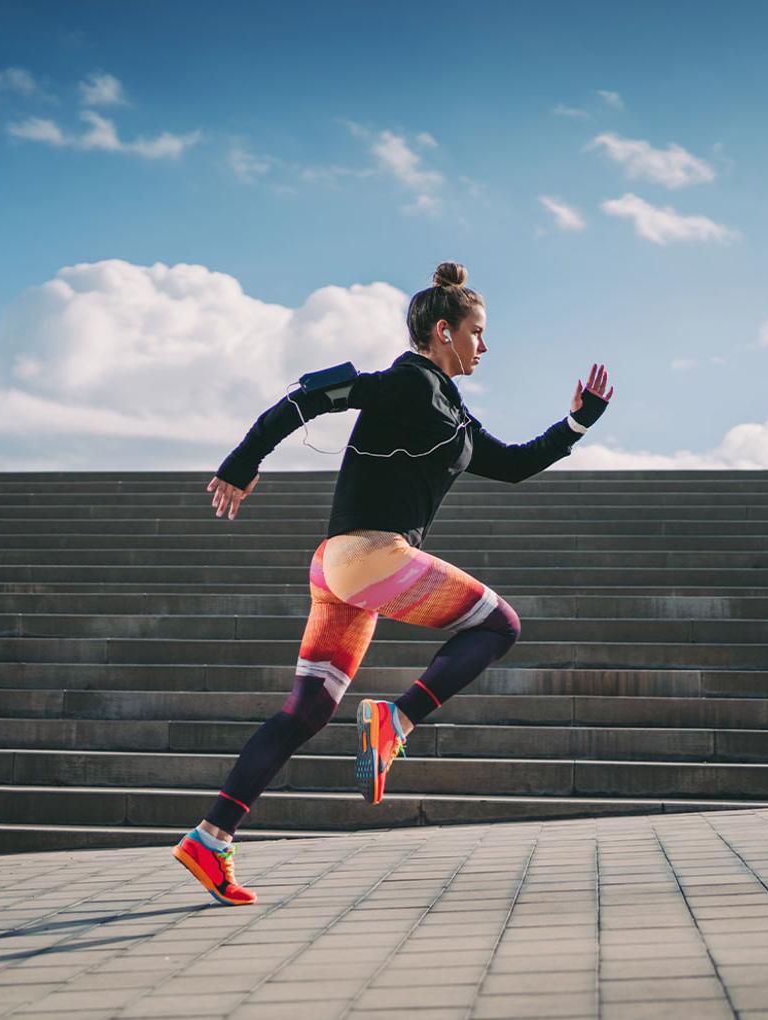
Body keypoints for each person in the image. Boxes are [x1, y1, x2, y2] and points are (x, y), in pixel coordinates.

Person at [172, 261, 613, 905]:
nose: (485, 346)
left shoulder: (452, 409)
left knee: (309, 710)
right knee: (498, 625)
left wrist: (578, 423)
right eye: (478, 333)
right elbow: (303, 400)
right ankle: (396, 722)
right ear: (444, 331)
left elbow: (515, 466)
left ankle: (211, 838)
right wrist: (242, 463)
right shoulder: (403, 384)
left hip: (339, 571)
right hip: (369, 554)